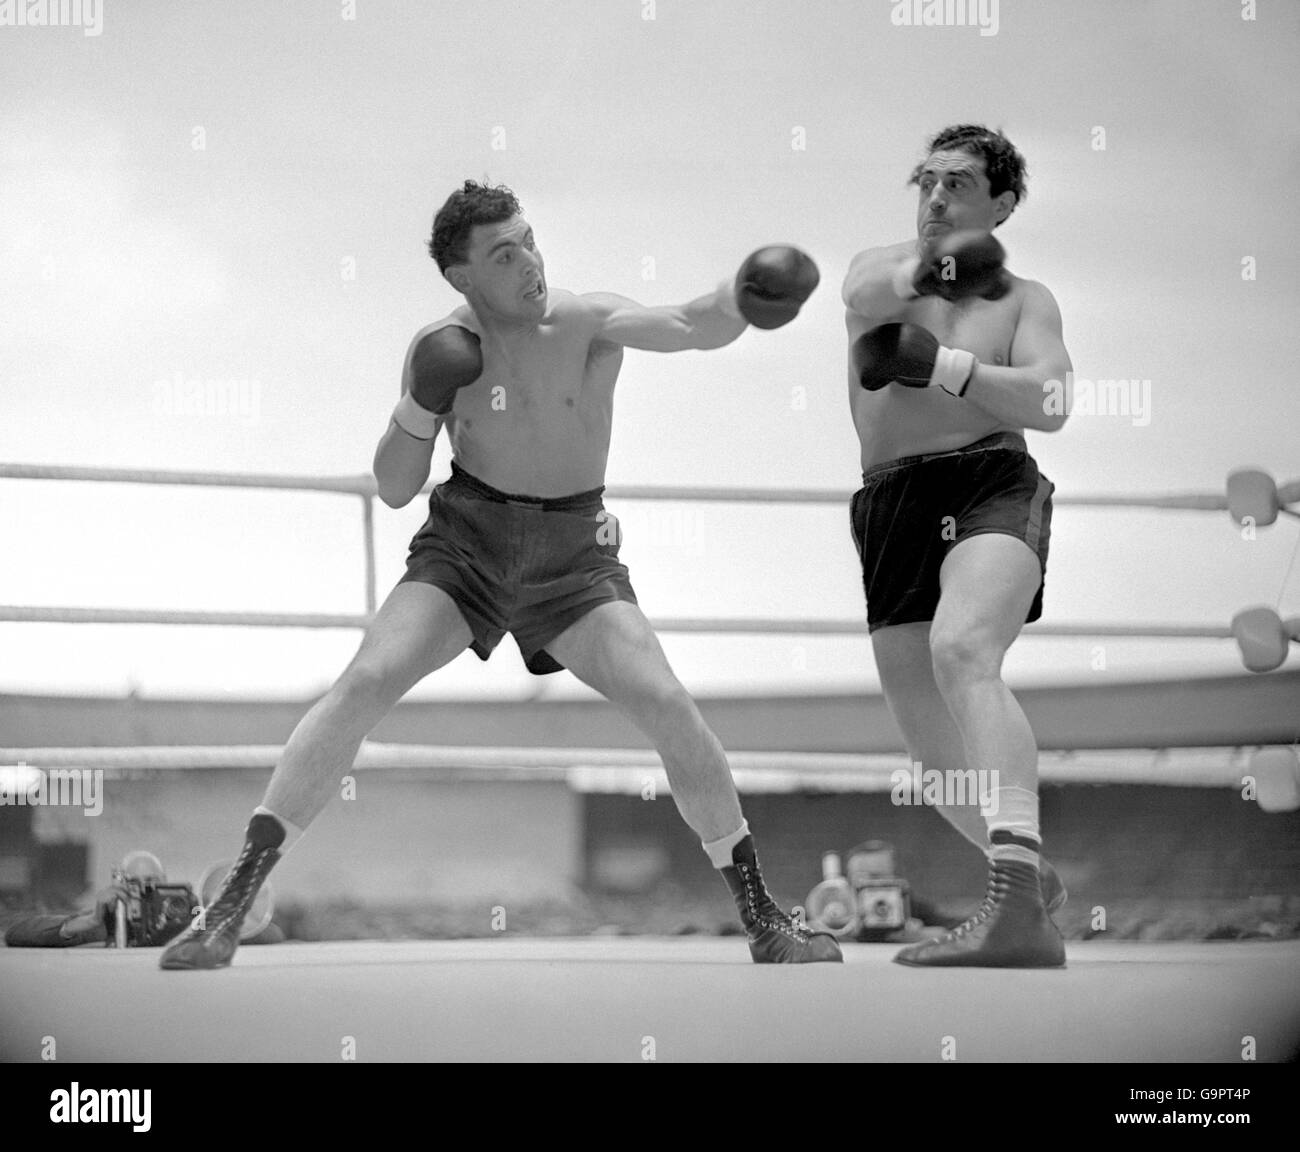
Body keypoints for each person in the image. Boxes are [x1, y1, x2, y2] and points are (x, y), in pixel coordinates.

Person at [160, 180, 839, 970]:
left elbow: (689, 323)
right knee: (364, 683)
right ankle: (229, 909)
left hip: (574, 559)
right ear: (463, 275)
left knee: (668, 704)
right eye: (504, 255)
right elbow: (393, 486)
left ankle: (763, 919)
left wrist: (744, 296)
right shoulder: (443, 343)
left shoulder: (584, 320)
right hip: (467, 547)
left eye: (529, 241)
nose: (529, 264)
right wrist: (421, 403)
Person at [841, 125, 1072, 967]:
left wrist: (948, 368)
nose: (935, 196)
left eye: (959, 183)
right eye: (927, 180)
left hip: (990, 482)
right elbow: (861, 290)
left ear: (1002, 204)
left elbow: (1050, 401)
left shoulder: (1026, 301)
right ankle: (1030, 881)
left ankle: (1011, 908)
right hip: (893, 500)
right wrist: (938, 269)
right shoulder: (881, 271)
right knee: (934, 760)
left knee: (965, 649)